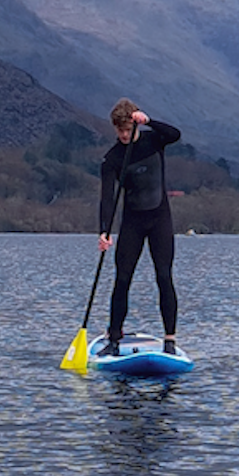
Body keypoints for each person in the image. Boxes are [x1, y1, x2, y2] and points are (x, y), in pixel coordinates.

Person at [99, 99, 183, 357]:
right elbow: (107, 197)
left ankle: (170, 339)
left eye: (127, 129)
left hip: (160, 220)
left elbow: (175, 135)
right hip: (132, 223)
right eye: (119, 131)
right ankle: (114, 338)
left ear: (135, 124)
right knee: (122, 279)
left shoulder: (154, 140)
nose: (124, 135)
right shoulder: (113, 158)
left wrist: (149, 121)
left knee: (164, 276)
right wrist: (104, 231)